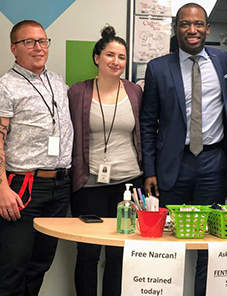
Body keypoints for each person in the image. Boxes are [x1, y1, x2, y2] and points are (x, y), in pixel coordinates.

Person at [140, 3, 227, 296]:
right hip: (172, 166)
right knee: (170, 242)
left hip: (212, 164)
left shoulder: (224, 62)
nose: (191, 30)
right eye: (184, 24)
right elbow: (147, 123)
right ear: (176, 28)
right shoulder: (157, 68)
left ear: (207, 28)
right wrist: (150, 170)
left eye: (198, 24)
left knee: (209, 241)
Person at [68, 26, 143, 296]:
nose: (116, 62)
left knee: (119, 255)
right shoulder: (78, 92)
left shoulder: (135, 92)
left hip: (128, 185)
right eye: (110, 55)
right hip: (89, 186)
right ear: (97, 57)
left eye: (122, 57)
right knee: (87, 254)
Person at [0, 20, 73, 295]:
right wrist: (1, 188)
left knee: (40, 264)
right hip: (22, 187)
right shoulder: (6, 86)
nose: (38, 47)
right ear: (14, 49)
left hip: (59, 186)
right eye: (29, 42)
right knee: (12, 267)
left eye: (42, 41)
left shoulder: (56, 80)